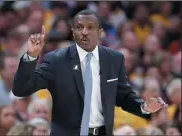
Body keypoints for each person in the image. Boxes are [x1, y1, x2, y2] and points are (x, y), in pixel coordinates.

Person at [12, 9, 168, 136]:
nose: (85, 32)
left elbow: (124, 96)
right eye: (79, 27)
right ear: (73, 32)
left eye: (90, 27)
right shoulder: (56, 60)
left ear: (100, 32)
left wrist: (144, 106)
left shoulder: (114, 58)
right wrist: (31, 56)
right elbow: (21, 89)